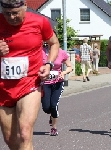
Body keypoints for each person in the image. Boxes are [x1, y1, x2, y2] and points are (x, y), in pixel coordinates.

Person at [0, 0, 59, 149]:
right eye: (7, 14)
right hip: (3, 88)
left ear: (25, 6)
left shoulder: (40, 22)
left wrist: (48, 64)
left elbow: (54, 43)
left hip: (29, 83)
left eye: (15, 13)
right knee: (10, 139)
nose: (11, 17)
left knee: (25, 132)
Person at [41, 48, 72, 136]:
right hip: (45, 84)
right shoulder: (41, 51)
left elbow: (70, 67)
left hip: (57, 83)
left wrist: (63, 72)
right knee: (46, 108)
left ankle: (54, 128)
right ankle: (51, 115)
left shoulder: (61, 52)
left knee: (54, 105)